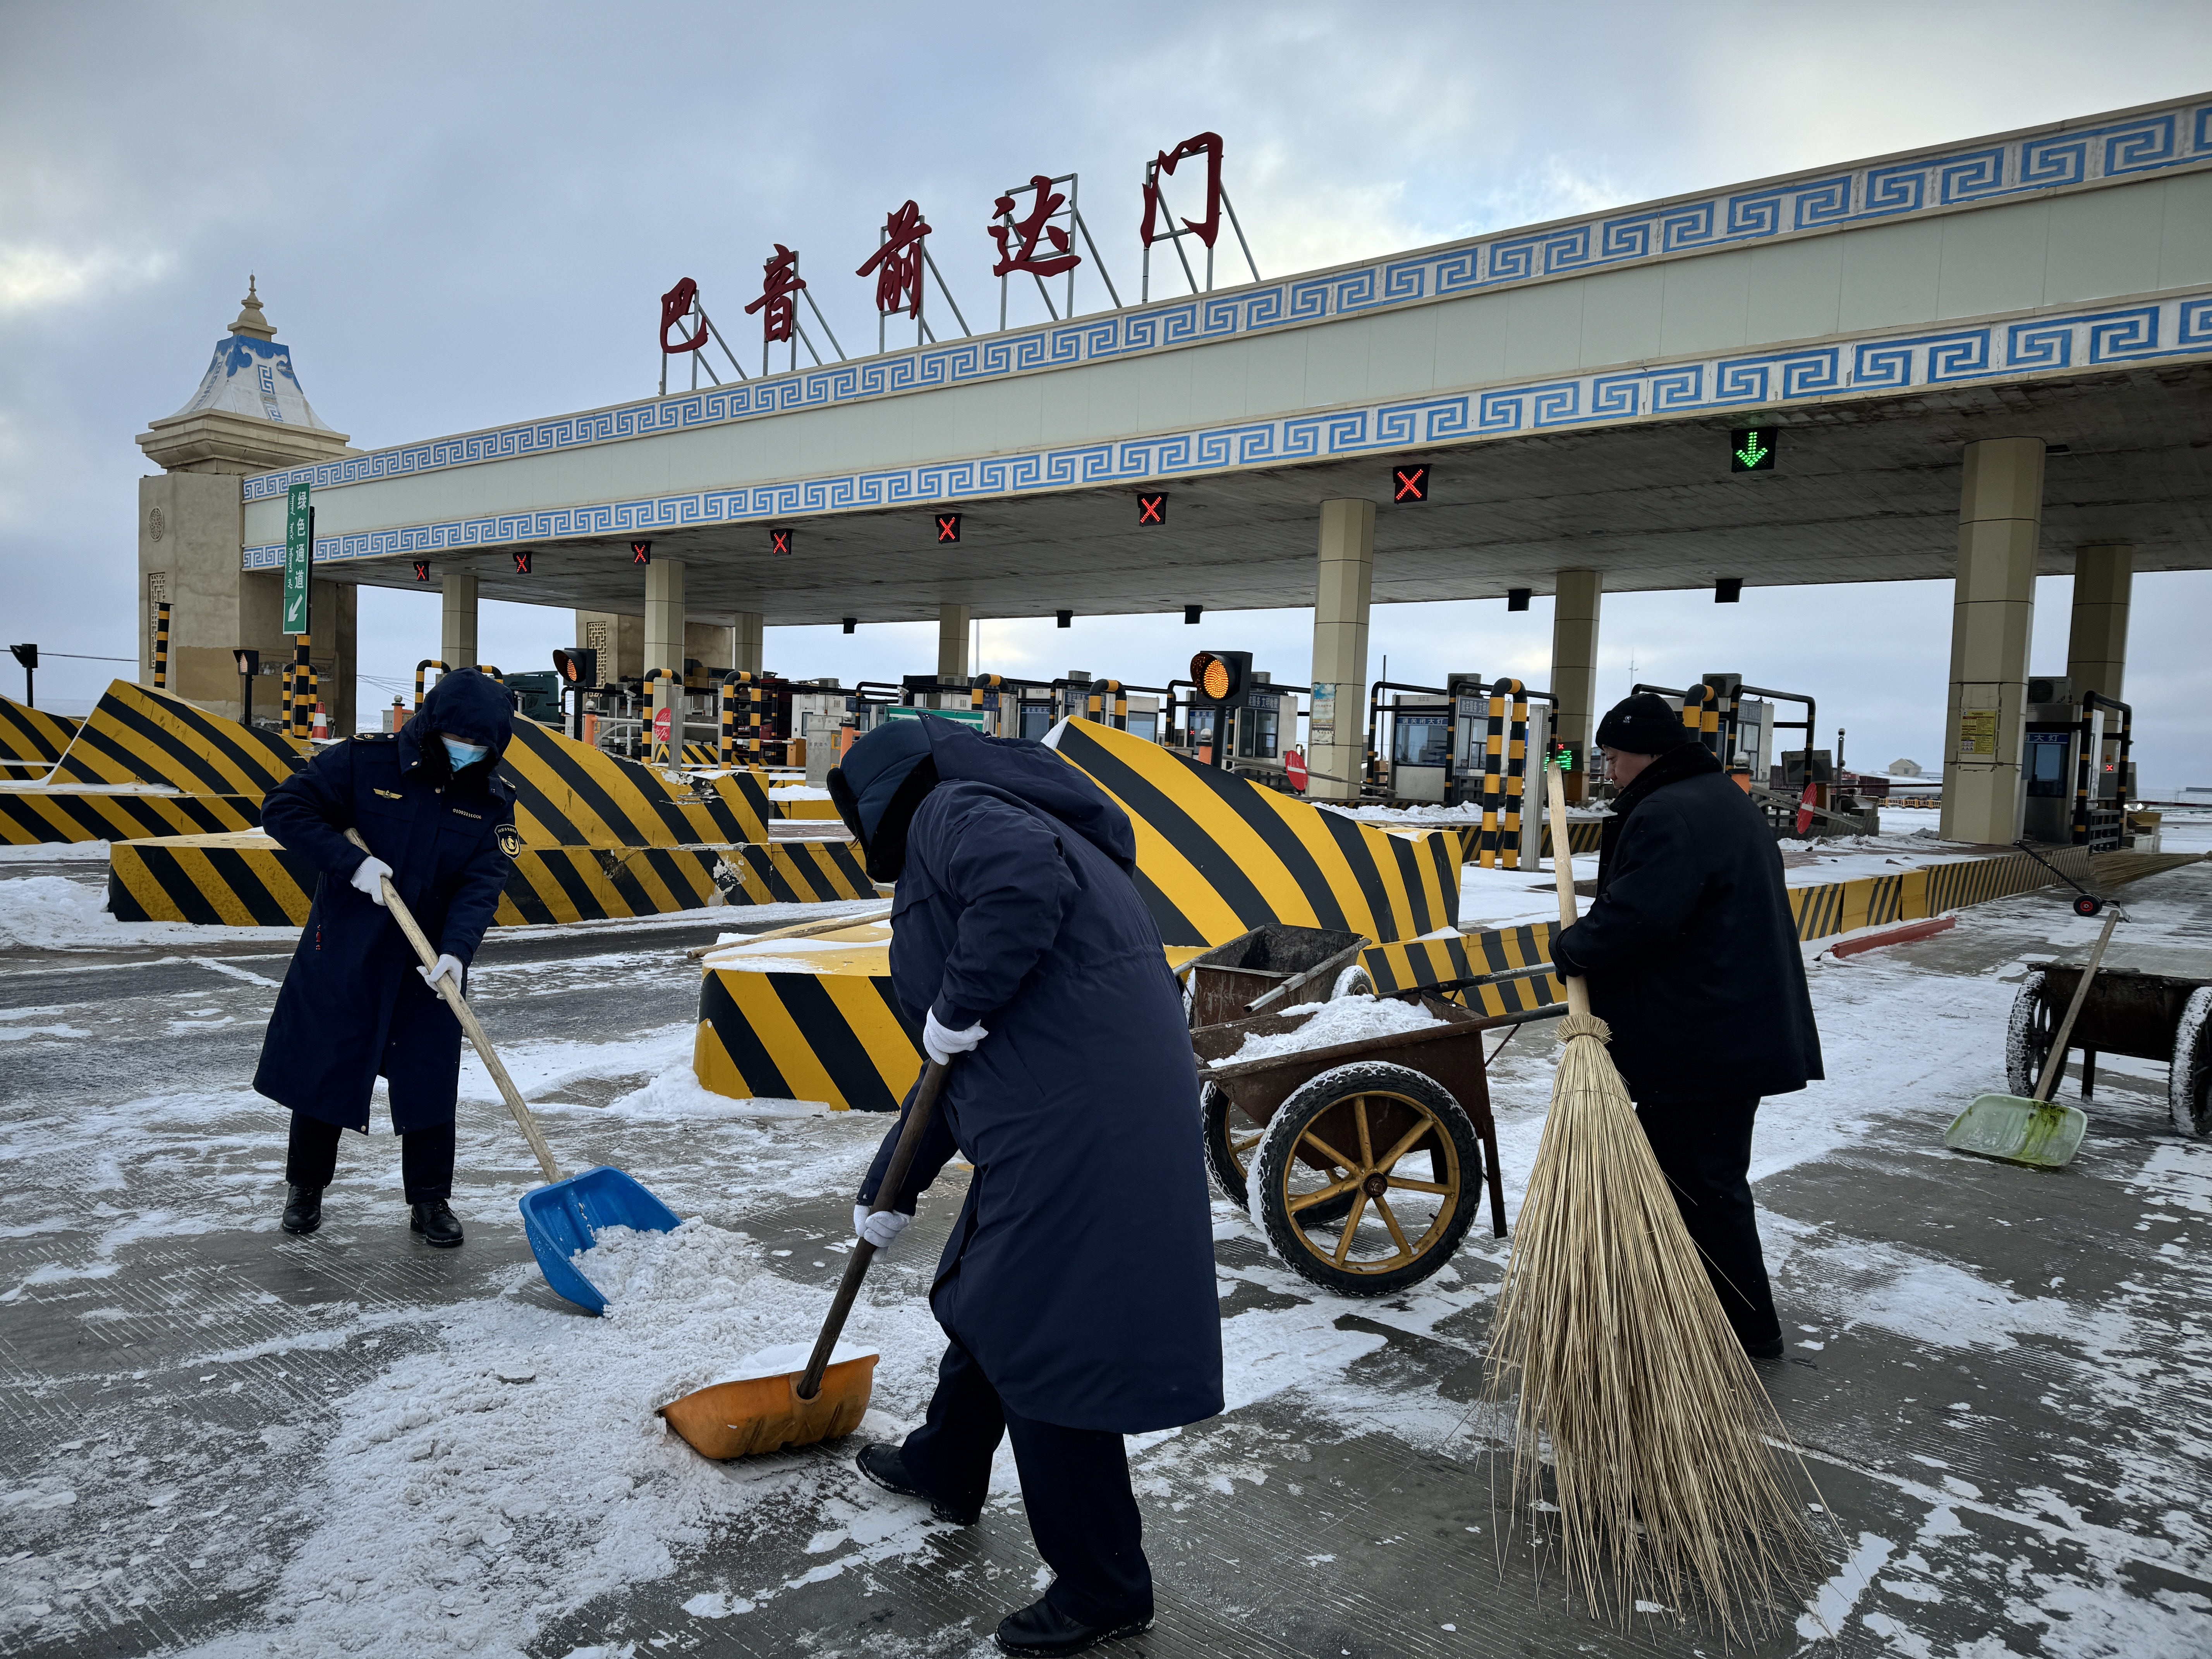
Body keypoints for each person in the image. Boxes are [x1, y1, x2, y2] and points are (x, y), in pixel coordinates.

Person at [826, 714, 1222, 1658]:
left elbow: (1016, 890)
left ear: (884, 795)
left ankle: (1103, 1584)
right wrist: (891, 1189)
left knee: (1048, 1334)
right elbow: (952, 1068)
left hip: (1076, 1126)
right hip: (1069, 1115)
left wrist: (956, 1000)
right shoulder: (1002, 819)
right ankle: (948, 1462)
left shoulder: (955, 808)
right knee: (987, 1289)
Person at [1549, 692, 1822, 1360]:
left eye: (1614, 757)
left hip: (1703, 1039)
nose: (1610, 771)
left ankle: (1747, 1329)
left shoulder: (1669, 812)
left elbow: (1640, 916)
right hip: (1725, 1027)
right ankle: (1702, 1313)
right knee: (1700, 1179)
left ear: (1646, 753)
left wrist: (1574, 948)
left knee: (1703, 1185)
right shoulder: (1720, 798)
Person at [252, 668, 518, 1247]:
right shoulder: (362, 763)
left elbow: (483, 882)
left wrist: (458, 952)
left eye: (481, 746)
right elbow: (284, 809)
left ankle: (430, 1200)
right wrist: (352, 865)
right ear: (433, 726)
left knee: (429, 1081)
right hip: (347, 950)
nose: (468, 752)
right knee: (326, 1068)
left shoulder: (492, 799)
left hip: (429, 964)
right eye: (459, 739)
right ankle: (306, 1188)